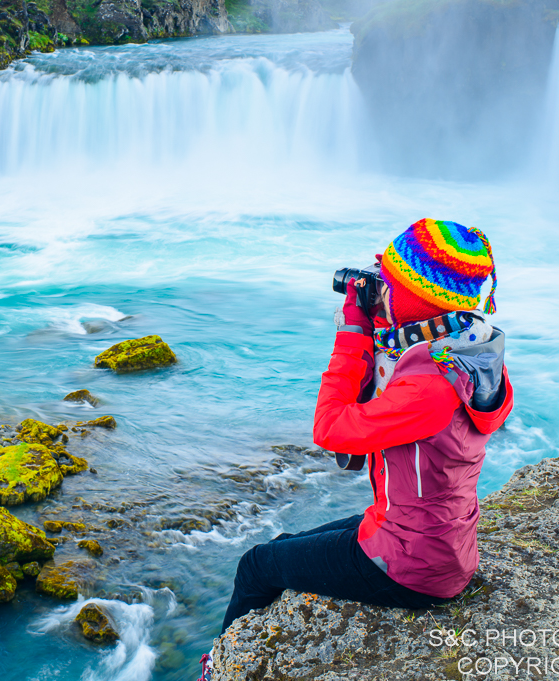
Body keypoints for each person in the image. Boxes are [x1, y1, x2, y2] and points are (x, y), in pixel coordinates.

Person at [198, 219, 513, 680]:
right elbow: (398, 376)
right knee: (283, 548)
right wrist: (380, 323)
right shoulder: (465, 353)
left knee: (256, 567)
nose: (378, 285)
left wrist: (351, 333)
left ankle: (220, 672)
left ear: (414, 297)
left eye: (389, 280)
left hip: (412, 564)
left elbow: (330, 428)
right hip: (436, 539)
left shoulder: (428, 389)